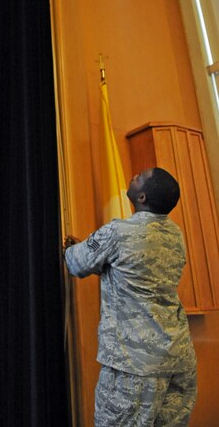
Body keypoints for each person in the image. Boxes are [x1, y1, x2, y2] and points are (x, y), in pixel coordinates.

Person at [64, 167, 197, 426]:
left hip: (135, 368)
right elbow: (137, 269)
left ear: (142, 198)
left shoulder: (118, 232)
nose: (134, 175)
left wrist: (82, 247)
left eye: (139, 176)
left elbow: (75, 262)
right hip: (178, 361)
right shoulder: (175, 234)